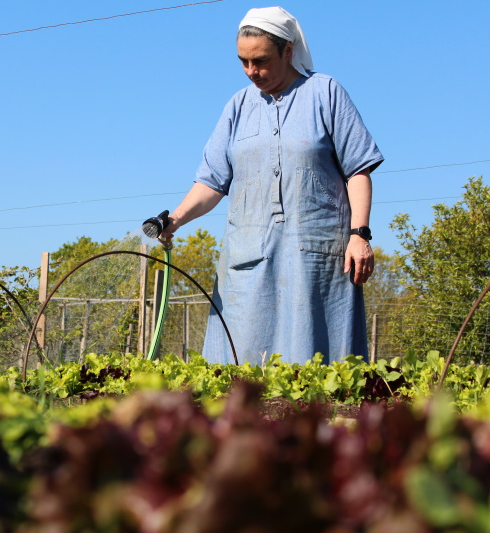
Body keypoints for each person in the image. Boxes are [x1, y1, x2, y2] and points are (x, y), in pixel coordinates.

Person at [159, 6, 384, 365]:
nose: (252, 71)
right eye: (243, 62)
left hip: (315, 257)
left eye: (260, 61)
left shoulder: (325, 93)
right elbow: (211, 182)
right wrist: (176, 219)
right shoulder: (237, 106)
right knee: (241, 365)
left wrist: (360, 234)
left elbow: (359, 169)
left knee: (320, 366)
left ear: (288, 51)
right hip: (249, 257)